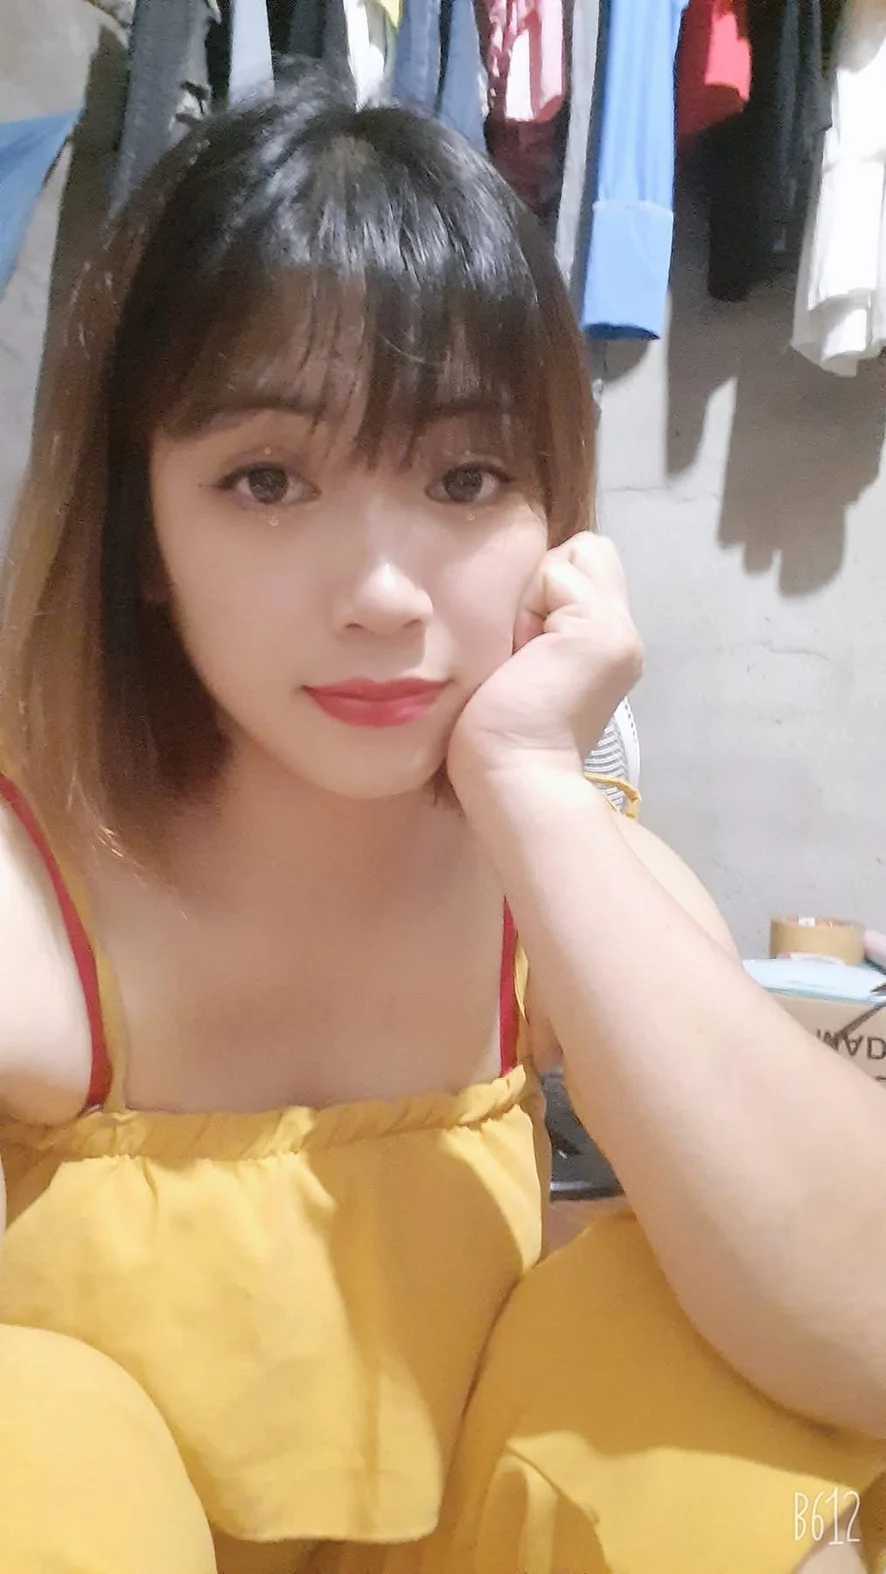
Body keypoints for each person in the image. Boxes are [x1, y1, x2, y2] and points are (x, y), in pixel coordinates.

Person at [0, 72, 882, 1574]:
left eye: (466, 477)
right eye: (266, 480)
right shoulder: (34, 897)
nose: (384, 594)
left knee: (685, 1353)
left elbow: (859, 1332)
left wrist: (534, 785)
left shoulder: (562, 883)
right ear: (143, 531)